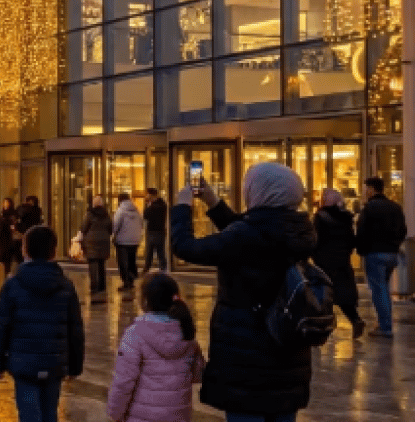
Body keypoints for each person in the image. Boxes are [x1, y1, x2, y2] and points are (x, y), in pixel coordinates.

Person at [171, 163, 315, 422]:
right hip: (287, 353)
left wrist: (183, 207)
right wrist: (213, 202)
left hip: (246, 356)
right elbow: (249, 231)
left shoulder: (247, 236)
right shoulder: (299, 228)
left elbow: (186, 247)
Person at [0, 225, 84, 422]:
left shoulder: (12, 285)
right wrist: (75, 366)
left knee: (29, 413)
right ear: (54, 252)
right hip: (54, 363)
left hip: (24, 366)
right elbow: (75, 329)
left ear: (25, 251)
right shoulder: (65, 286)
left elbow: (0, 327)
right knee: (50, 412)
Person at [106, 273, 205, 422]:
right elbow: (198, 375)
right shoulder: (187, 333)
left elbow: (124, 382)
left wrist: (114, 413)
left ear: (145, 301)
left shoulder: (135, 334)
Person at [355, 176, 407, 339]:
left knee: (379, 290)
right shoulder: (395, 207)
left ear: (371, 190)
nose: (364, 193)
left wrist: (361, 250)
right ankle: (384, 323)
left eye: (365, 189)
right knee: (384, 289)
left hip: (375, 253)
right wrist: (395, 245)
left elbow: (362, 231)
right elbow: (403, 230)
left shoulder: (369, 208)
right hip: (391, 253)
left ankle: (385, 327)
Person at [311, 188, 364, 338]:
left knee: (324, 293)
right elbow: (351, 239)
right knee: (344, 294)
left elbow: (315, 239)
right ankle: (355, 319)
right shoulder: (346, 218)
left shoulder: (320, 217)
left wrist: (314, 255)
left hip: (325, 261)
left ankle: (323, 325)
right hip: (342, 261)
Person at [80, 196, 113, 303]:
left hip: (91, 242)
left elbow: (84, 227)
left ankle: (94, 287)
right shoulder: (106, 214)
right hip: (104, 241)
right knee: (101, 264)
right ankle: (102, 286)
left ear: (93, 204)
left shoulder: (89, 214)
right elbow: (110, 228)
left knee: (93, 264)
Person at [112, 193, 144, 292]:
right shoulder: (136, 210)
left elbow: (115, 225)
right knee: (132, 260)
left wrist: (113, 236)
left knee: (123, 262)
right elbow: (141, 223)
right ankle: (131, 280)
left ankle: (126, 282)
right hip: (134, 240)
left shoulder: (120, 211)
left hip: (122, 241)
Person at [142, 188, 168, 274]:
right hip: (154, 231)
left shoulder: (159, 205)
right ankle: (149, 267)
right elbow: (145, 215)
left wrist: (149, 204)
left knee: (159, 250)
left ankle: (162, 268)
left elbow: (146, 214)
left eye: (147, 194)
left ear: (151, 195)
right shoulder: (160, 204)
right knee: (150, 251)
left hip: (156, 231)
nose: (146, 196)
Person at [0, 198, 21, 274]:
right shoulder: (1, 213)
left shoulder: (13, 214)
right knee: (1, 256)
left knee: (8, 257)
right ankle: (2, 272)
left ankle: (7, 272)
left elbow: (15, 225)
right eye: (4, 203)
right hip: (2, 237)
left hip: (9, 238)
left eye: (7, 203)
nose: (5, 204)